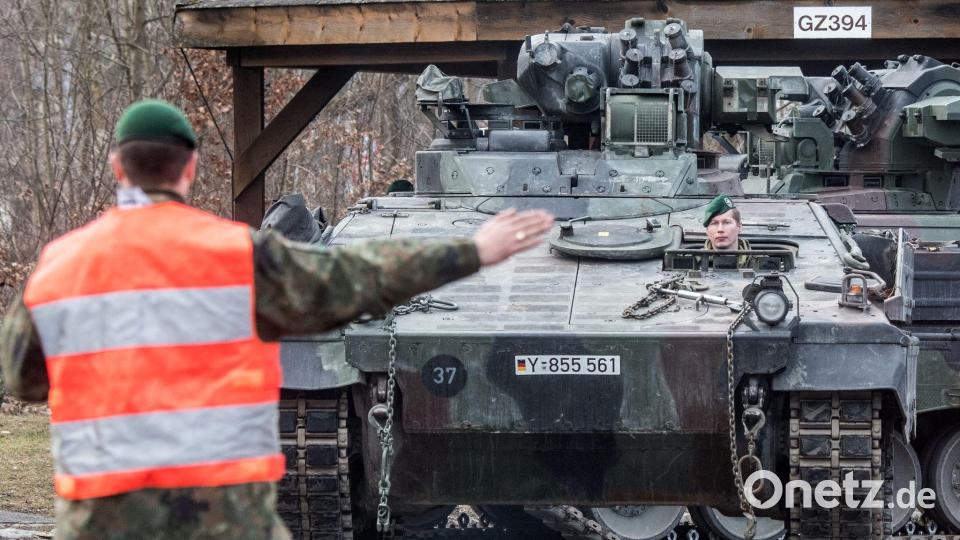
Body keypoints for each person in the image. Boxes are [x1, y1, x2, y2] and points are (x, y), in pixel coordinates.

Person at [0, 99, 554, 540]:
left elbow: (22, 380)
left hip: (100, 515)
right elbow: (355, 274)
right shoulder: (238, 255)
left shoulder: (57, 268)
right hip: (222, 514)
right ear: (189, 169)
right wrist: (470, 252)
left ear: (118, 166)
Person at [702, 194, 751, 268]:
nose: (720, 229)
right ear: (707, 230)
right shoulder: (694, 261)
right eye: (714, 223)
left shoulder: (759, 262)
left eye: (727, 222)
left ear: (739, 227)